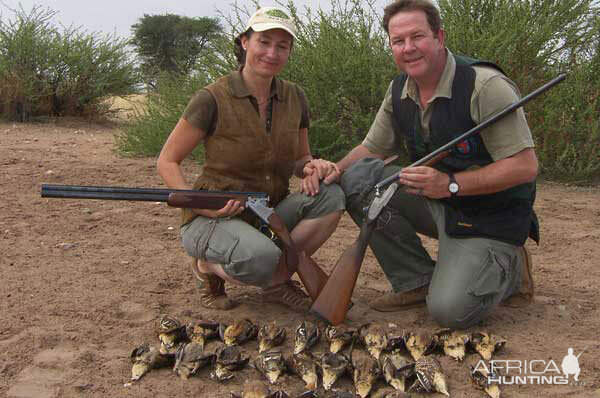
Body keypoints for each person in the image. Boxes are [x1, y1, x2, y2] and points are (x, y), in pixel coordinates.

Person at [322, 0, 538, 328]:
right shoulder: (399, 89)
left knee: (449, 312)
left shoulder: (486, 86)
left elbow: (524, 166)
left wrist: (449, 184)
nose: (408, 48)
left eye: (417, 36)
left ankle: (509, 268)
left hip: (491, 217)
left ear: (439, 36)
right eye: (398, 41)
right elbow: (373, 149)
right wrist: (333, 171)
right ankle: (415, 280)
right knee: (359, 181)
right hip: (440, 203)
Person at [157, 7, 345, 312]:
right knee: (261, 257)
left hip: (267, 211)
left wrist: (313, 167)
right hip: (213, 216)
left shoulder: (295, 97)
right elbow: (167, 160)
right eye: (264, 42)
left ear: (289, 51)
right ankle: (206, 267)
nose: (272, 52)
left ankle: (276, 281)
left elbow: (300, 159)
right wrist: (197, 203)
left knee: (332, 197)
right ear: (245, 42)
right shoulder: (212, 97)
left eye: (282, 46)